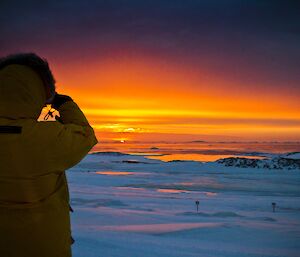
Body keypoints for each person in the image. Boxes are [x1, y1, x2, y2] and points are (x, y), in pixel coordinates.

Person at [0, 53, 98, 257]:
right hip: (45, 247)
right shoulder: (47, 137)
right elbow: (85, 135)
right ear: (38, 93)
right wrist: (63, 103)